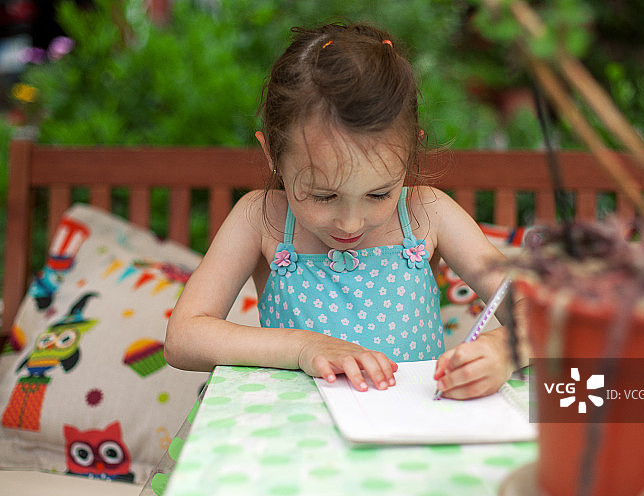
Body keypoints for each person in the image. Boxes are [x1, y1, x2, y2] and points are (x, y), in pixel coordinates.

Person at [164, 22, 527, 400]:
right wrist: (303, 348)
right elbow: (184, 337)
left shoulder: (429, 212)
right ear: (273, 154)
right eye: (323, 197)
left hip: (411, 431)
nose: (351, 223)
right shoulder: (260, 217)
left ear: (409, 155)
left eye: (379, 194)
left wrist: (503, 349)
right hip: (297, 435)